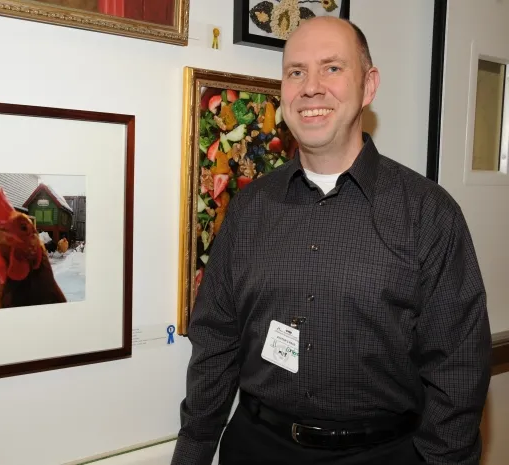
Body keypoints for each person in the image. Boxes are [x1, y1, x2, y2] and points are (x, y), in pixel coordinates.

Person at [170, 16, 492, 465]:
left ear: (369, 85)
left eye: (332, 68)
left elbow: (458, 370)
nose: (311, 88)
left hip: (383, 454)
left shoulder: (428, 214)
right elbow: (216, 341)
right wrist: (193, 452)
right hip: (257, 448)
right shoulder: (248, 210)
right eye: (296, 72)